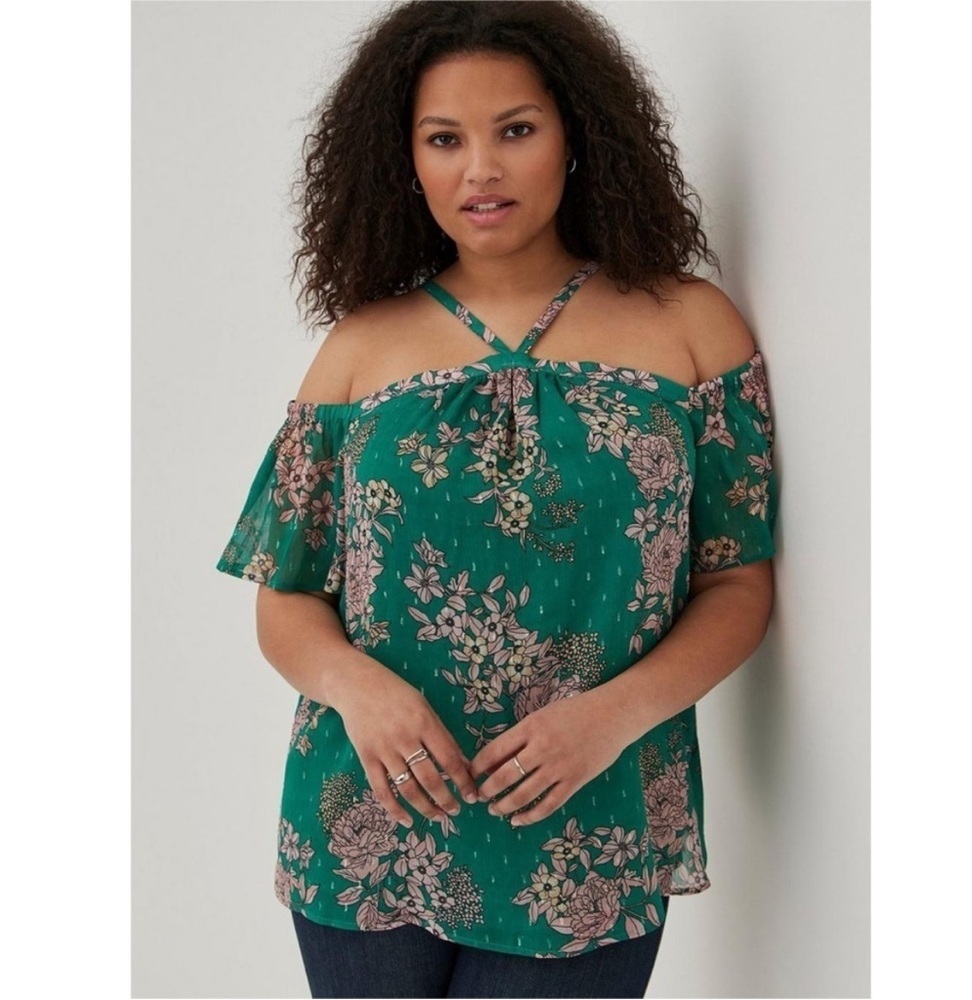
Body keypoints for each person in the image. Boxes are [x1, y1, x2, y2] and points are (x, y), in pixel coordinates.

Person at [215, 1, 778, 996]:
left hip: (589, 823)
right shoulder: (358, 348)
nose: (481, 169)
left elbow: (737, 583)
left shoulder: (691, 327)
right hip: (369, 821)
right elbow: (285, 591)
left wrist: (611, 717)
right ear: (405, 160)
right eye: (445, 139)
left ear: (576, 135)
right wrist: (360, 692)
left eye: (515, 129)